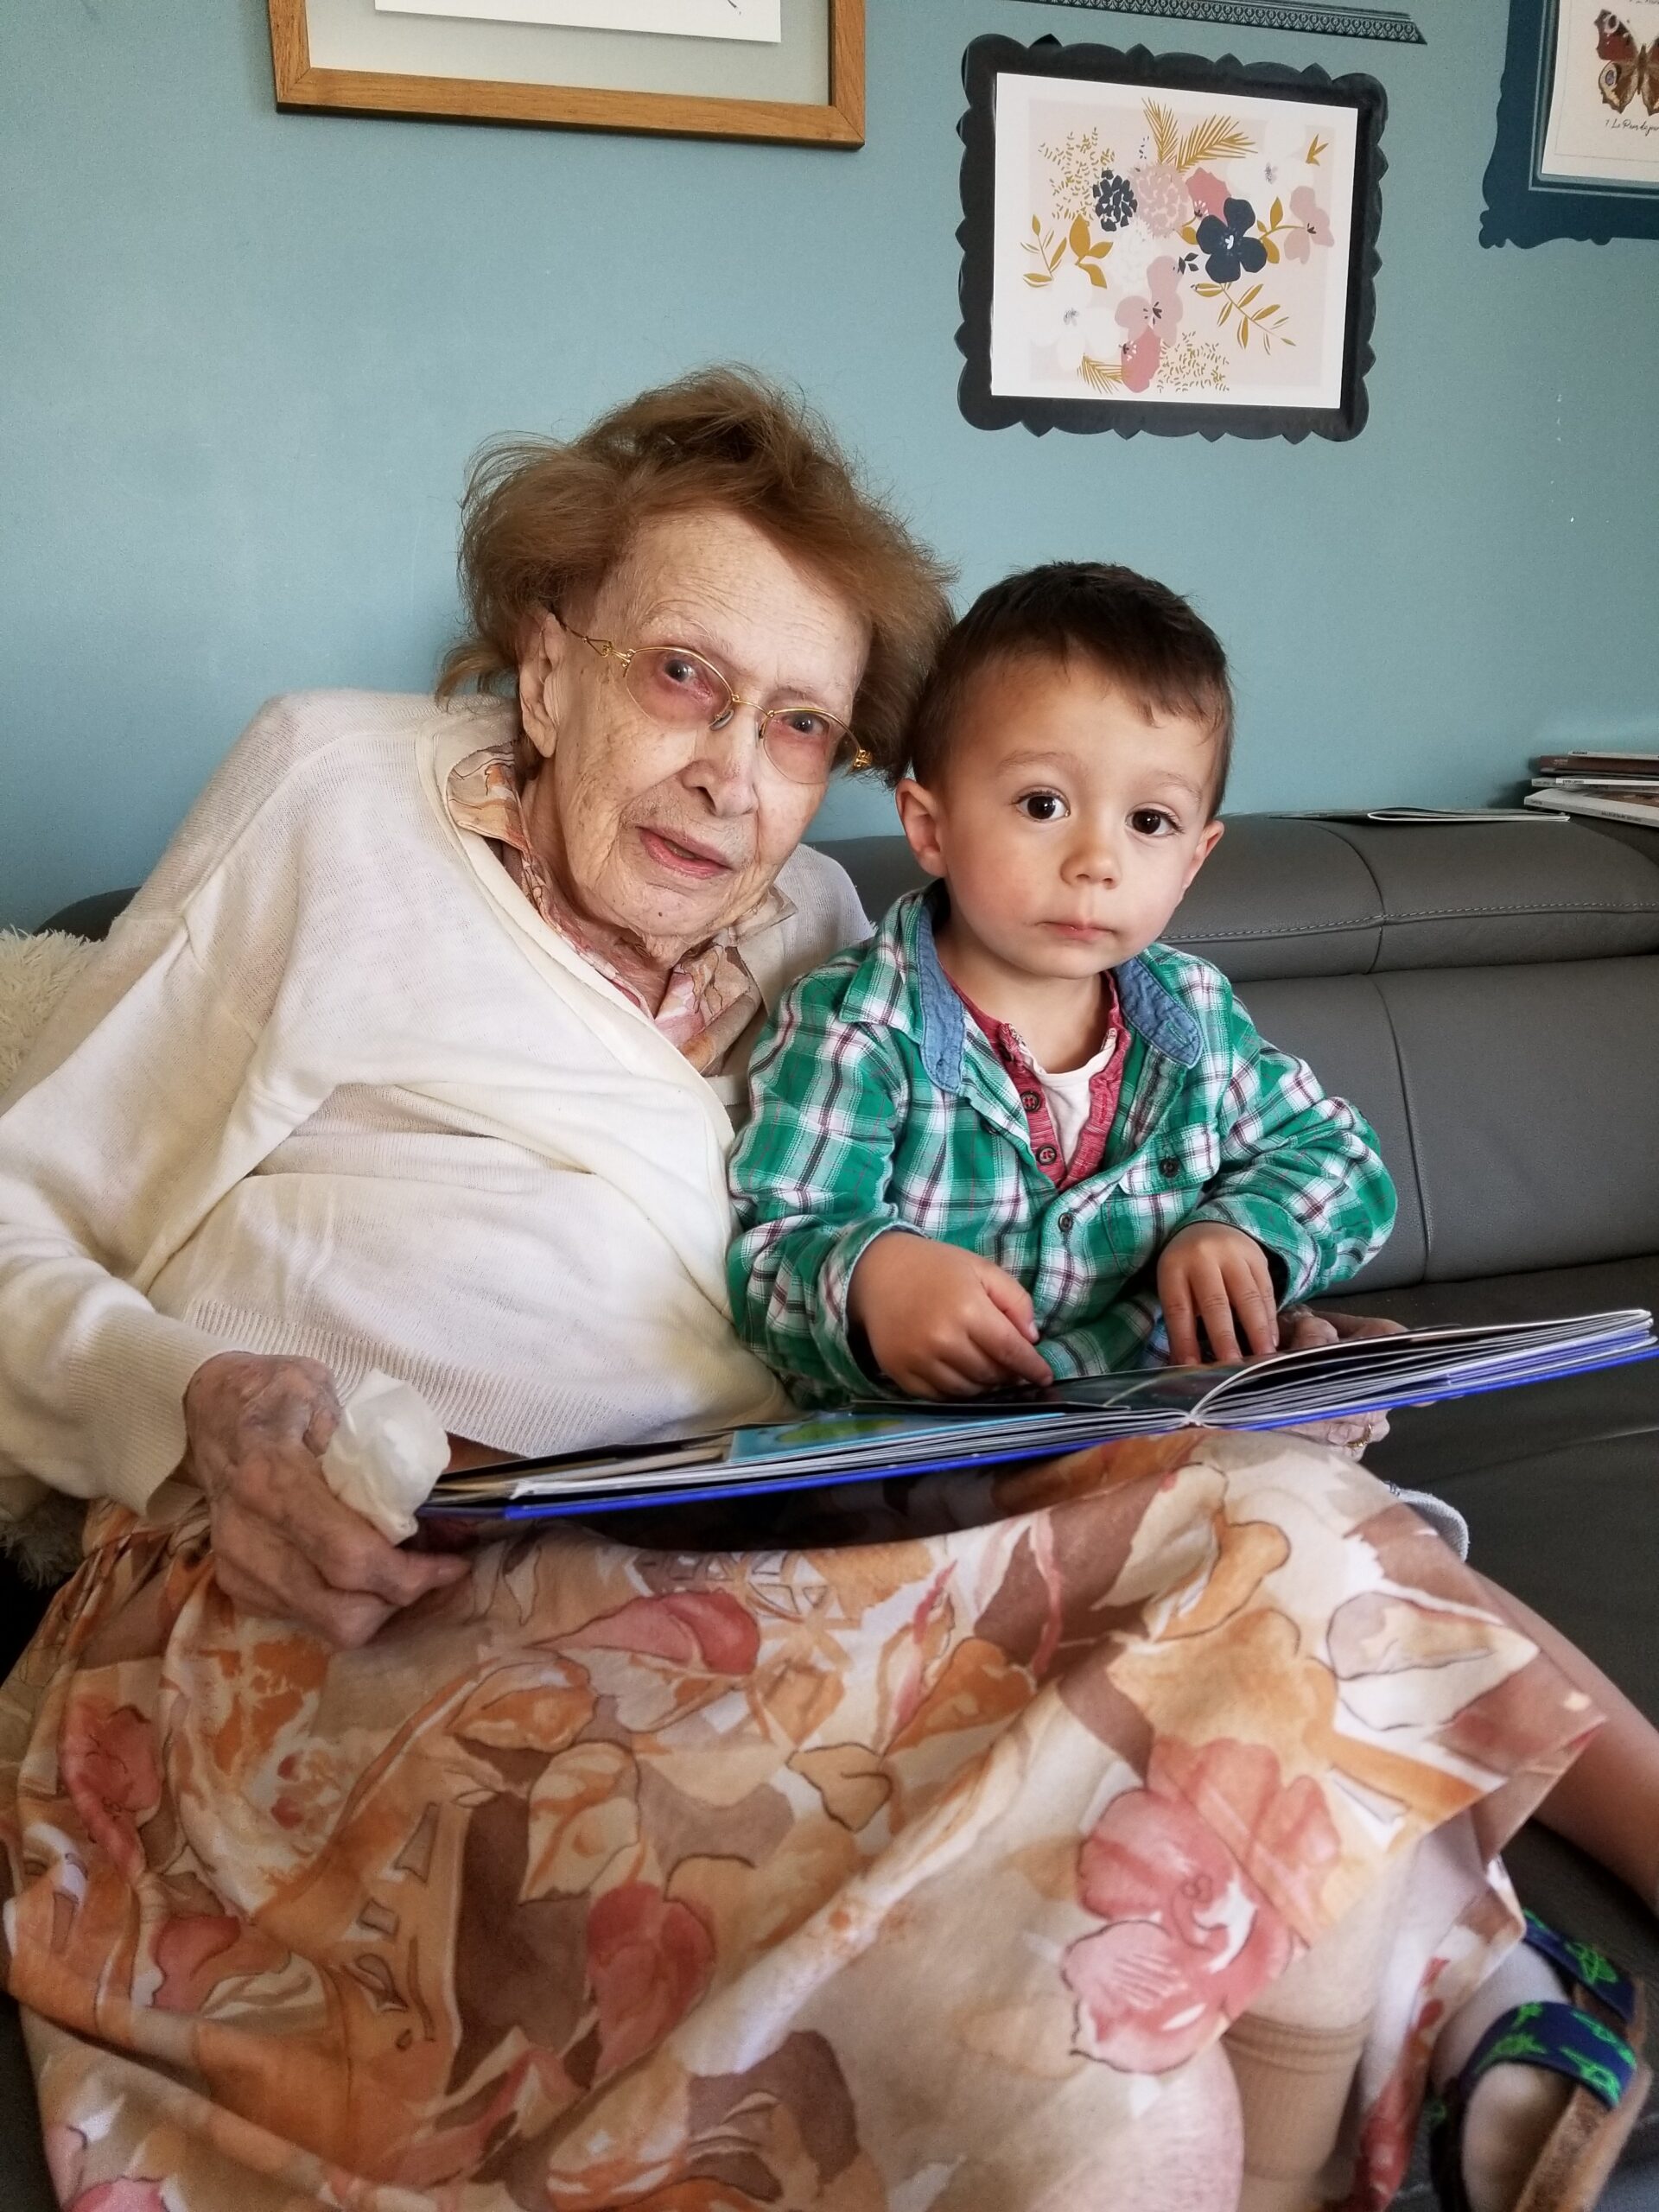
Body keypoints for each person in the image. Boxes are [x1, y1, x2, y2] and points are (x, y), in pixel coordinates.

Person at [0, 378, 1605, 2212]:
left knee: (1276, 1516)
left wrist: (1222, 1338)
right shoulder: (336, 800)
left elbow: (974, 1264)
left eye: (797, 726)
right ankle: (1448, 1986)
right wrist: (198, 1412)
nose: (733, 772)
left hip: (755, 1583)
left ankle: (1365, 2022)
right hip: (346, 1611)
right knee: (1111, 2087)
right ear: (547, 671)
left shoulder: (830, 943)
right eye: (684, 676)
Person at [728, 560, 1658, 2211]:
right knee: (1308, 1583)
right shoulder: (854, 1029)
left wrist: (1247, 1229)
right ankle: (1486, 1983)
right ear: (927, 820)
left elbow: (1340, 1163)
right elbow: (770, 1243)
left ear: (1200, 853)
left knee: (1347, 1573)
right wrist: (870, 1277)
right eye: (1042, 803)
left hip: (1185, 1453)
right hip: (950, 1497)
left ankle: (1485, 1968)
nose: (1097, 858)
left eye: (1150, 822)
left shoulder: (1194, 1028)